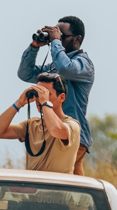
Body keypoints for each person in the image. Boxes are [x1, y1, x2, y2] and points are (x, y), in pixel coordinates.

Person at [18, 15, 93, 175]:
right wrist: (34, 46)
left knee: (62, 182)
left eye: (61, 36)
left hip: (71, 133)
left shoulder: (83, 64)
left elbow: (66, 68)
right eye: (54, 35)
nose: (54, 40)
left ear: (77, 40)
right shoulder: (54, 66)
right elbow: (25, 74)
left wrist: (56, 43)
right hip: (51, 133)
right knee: (68, 187)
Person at [0, 72, 81, 174]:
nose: (39, 99)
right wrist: (19, 103)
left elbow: (55, 130)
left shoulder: (72, 125)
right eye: (38, 94)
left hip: (58, 187)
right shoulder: (32, 125)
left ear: (62, 97)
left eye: (46, 94)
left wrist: (45, 103)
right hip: (34, 188)